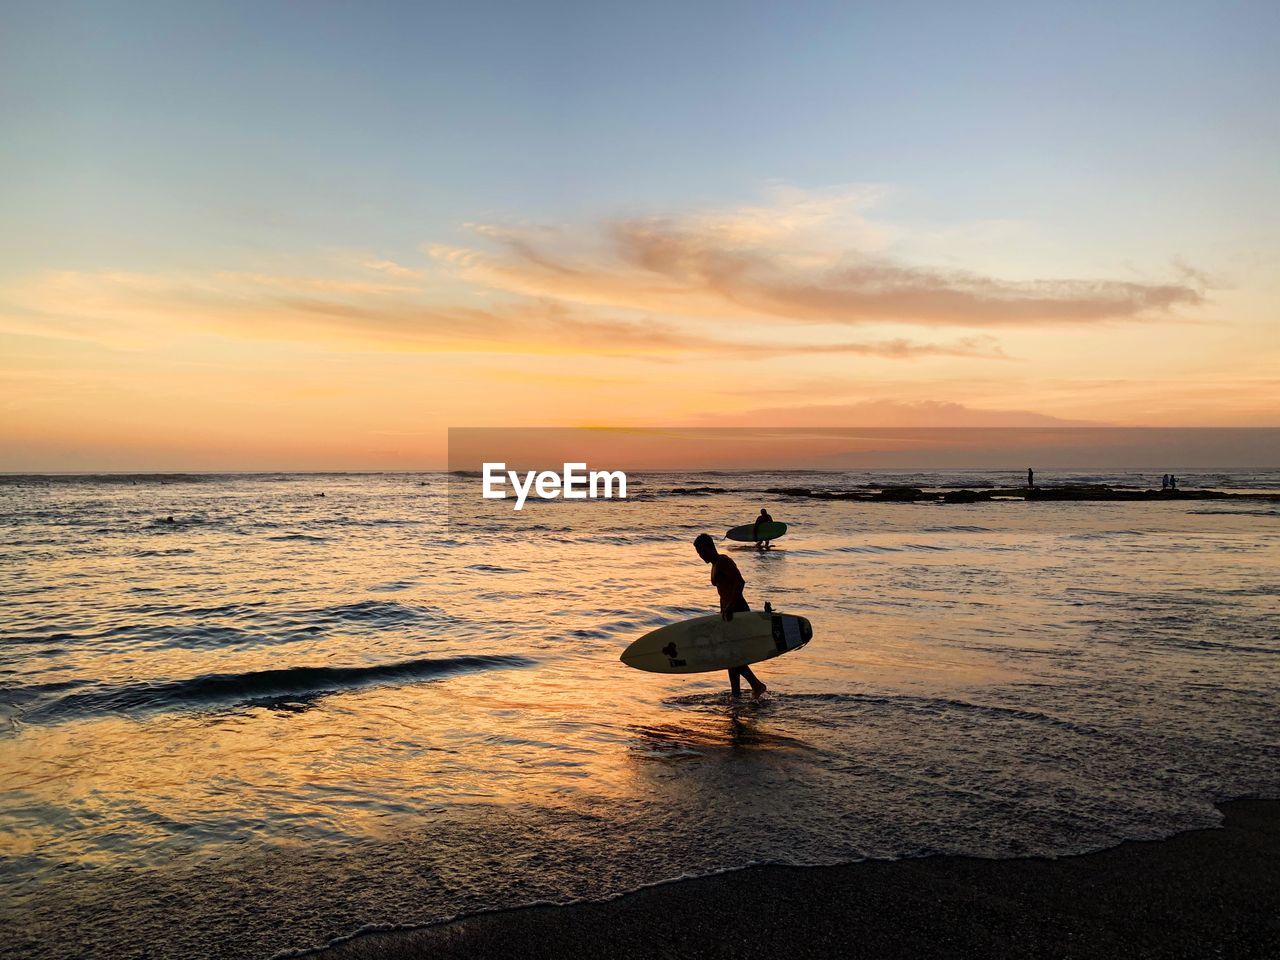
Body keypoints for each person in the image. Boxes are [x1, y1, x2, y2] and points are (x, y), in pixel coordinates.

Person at [693, 533, 767, 698]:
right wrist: (723, 610)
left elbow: (740, 582)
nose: (700, 555)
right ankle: (736, 694)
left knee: (731, 655)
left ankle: (756, 685)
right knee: (731, 654)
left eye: (701, 551)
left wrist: (731, 606)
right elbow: (723, 591)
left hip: (738, 610)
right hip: (728, 613)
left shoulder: (723, 561)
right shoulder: (714, 565)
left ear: (709, 547)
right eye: (698, 553)